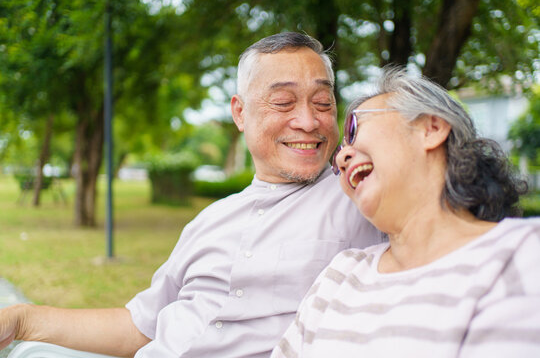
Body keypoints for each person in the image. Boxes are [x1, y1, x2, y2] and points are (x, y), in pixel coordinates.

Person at [0, 33, 382, 358]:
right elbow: (141, 327)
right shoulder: (211, 220)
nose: (309, 121)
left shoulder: (362, 197)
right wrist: (23, 320)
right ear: (239, 113)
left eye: (323, 102)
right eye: (283, 102)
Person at [271, 67, 540, 358]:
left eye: (353, 130)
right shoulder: (340, 274)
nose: (341, 157)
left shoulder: (521, 253)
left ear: (431, 128)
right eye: (339, 155)